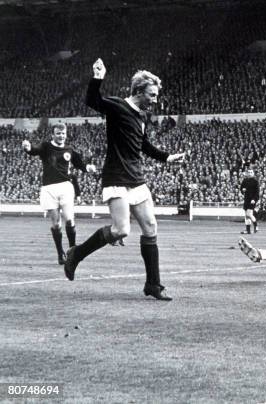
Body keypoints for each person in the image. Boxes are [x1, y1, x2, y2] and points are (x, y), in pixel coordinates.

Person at [64, 58, 185, 301]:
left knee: (150, 227)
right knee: (121, 230)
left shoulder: (141, 117)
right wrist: (98, 76)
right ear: (139, 91)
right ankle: (76, 254)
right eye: (152, 95)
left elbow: (143, 145)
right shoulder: (118, 106)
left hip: (136, 178)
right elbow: (92, 100)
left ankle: (153, 285)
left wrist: (167, 157)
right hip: (116, 177)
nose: (155, 99)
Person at [22, 123, 96, 264]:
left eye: (63, 133)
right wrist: (28, 147)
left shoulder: (70, 150)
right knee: (56, 224)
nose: (61, 136)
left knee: (69, 219)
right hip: (49, 189)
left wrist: (89, 167)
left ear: (66, 134)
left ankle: (73, 252)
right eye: (58, 133)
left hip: (65, 187)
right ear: (53, 135)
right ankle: (60, 253)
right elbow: (34, 150)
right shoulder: (46, 146)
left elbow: (80, 164)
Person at [240, 168, 259, 234]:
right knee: (246, 215)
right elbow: (241, 188)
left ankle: (256, 226)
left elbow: (257, 192)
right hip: (246, 199)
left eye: (251, 172)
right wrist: (243, 190)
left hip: (252, 200)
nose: (250, 173)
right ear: (247, 173)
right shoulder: (245, 180)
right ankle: (248, 230)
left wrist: (254, 199)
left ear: (253, 173)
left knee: (249, 214)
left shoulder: (255, 181)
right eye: (249, 172)